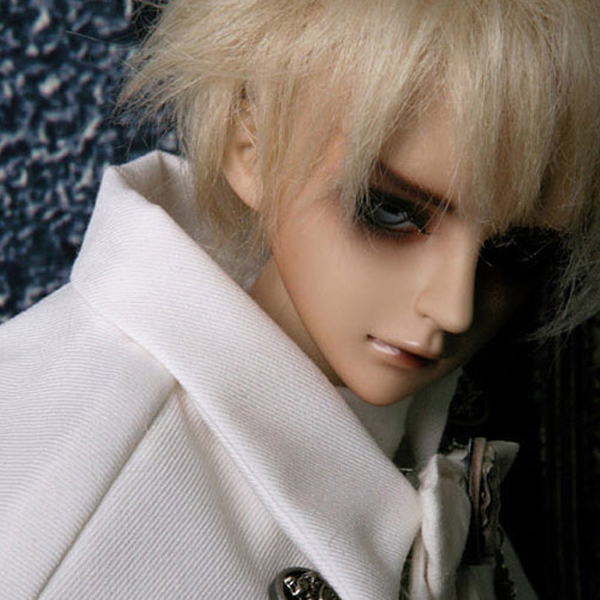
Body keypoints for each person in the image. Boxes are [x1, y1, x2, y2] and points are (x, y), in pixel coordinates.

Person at [1, 0, 599, 598]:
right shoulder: (75, 521)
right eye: (389, 211)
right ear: (249, 142)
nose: (454, 309)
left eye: (521, 248)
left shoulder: (425, 427)